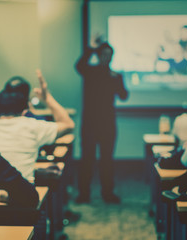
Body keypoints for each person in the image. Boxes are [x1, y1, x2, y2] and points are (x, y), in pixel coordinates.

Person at [0, 70, 75, 181]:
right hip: (21, 191)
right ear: (24, 110)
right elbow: (69, 125)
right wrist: (47, 97)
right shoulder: (33, 125)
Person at [75, 36, 128, 204]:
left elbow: (124, 96)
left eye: (109, 54)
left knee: (107, 161)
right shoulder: (89, 71)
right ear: (98, 55)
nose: (107, 57)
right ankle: (84, 194)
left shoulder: (116, 75)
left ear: (112, 56)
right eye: (103, 54)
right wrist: (91, 47)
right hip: (89, 124)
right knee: (87, 160)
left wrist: (117, 81)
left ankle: (108, 193)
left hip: (108, 124)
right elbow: (78, 65)